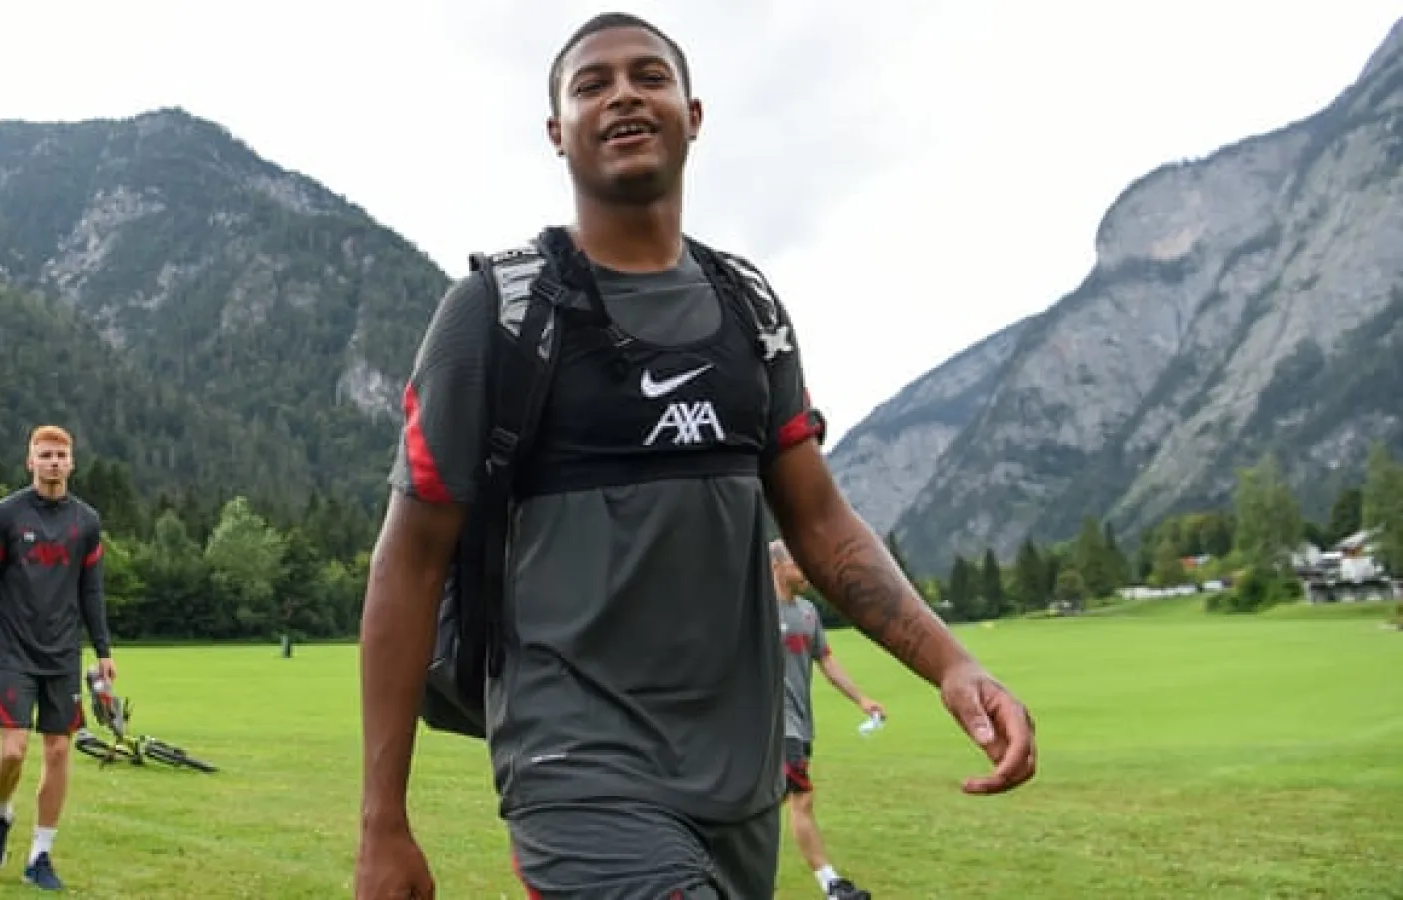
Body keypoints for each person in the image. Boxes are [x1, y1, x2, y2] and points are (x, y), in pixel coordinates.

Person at [354, 12, 1038, 900]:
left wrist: (954, 664)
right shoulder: (498, 313)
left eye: (650, 76)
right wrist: (383, 822)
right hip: (577, 769)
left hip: (741, 779)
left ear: (694, 113)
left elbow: (821, 522)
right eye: (591, 84)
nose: (625, 94)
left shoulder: (748, 307)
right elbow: (407, 561)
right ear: (557, 132)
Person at [0, 424, 116, 891]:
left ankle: (40, 856)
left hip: (63, 654)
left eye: (60, 455)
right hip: (12, 650)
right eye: (44, 454)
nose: (53, 461)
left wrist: (104, 651)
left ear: (71, 463)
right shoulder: (4, 515)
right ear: (30, 461)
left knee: (57, 751)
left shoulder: (86, 522)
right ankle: (1, 813)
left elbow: (91, 591)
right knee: (12, 750)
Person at [771, 538, 883, 900]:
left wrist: (861, 698)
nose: (807, 571)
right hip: (774, 727)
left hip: (801, 725)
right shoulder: (755, 612)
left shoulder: (807, 613)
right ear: (777, 566)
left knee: (767, 803)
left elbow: (827, 661)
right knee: (801, 798)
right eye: (798, 564)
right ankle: (832, 886)